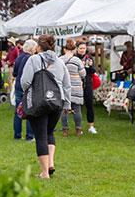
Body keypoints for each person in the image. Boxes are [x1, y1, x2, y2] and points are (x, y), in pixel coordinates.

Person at [20, 34, 72, 179]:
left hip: (39, 101)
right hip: (57, 102)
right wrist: (67, 104)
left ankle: (44, 173)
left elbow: (25, 81)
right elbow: (67, 85)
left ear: (38, 46)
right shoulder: (60, 62)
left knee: (40, 136)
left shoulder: (33, 59)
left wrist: (28, 92)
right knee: (49, 132)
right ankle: (50, 164)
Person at [60, 39, 86, 137]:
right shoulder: (77, 60)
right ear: (74, 50)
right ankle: (78, 130)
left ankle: (65, 130)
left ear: (64, 49)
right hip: (76, 87)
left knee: (64, 109)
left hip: (63, 87)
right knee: (77, 110)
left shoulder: (60, 60)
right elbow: (83, 74)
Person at [12, 39, 36, 141]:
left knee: (18, 111)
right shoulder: (30, 59)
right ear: (31, 48)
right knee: (29, 111)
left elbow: (15, 73)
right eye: (35, 48)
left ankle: (17, 135)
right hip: (26, 87)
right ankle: (29, 135)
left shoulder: (19, 57)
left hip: (18, 86)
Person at [78, 40, 98, 134]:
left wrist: (90, 66)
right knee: (78, 106)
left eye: (84, 48)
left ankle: (91, 126)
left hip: (88, 83)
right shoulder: (75, 58)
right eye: (80, 48)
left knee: (89, 104)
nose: (82, 50)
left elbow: (93, 71)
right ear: (77, 49)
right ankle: (78, 127)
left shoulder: (89, 57)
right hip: (77, 83)